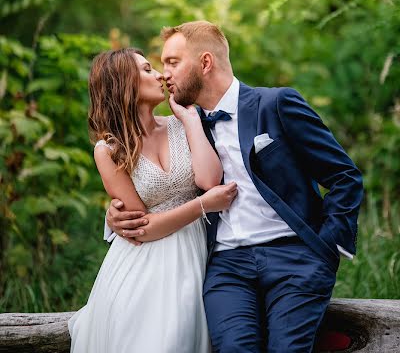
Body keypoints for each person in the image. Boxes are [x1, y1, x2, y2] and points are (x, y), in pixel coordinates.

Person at [106, 21, 363, 353]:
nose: (163, 74)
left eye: (172, 62)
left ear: (206, 62)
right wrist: (113, 213)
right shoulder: (186, 128)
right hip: (226, 268)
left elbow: (344, 176)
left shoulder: (276, 104)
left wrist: (328, 246)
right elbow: (157, 181)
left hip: (294, 258)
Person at [68, 47, 238, 353]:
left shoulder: (183, 122)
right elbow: (141, 228)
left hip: (195, 254)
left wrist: (189, 120)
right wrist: (203, 205)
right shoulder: (108, 150)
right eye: (147, 70)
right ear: (123, 82)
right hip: (143, 266)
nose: (160, 74)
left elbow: (210, 181)